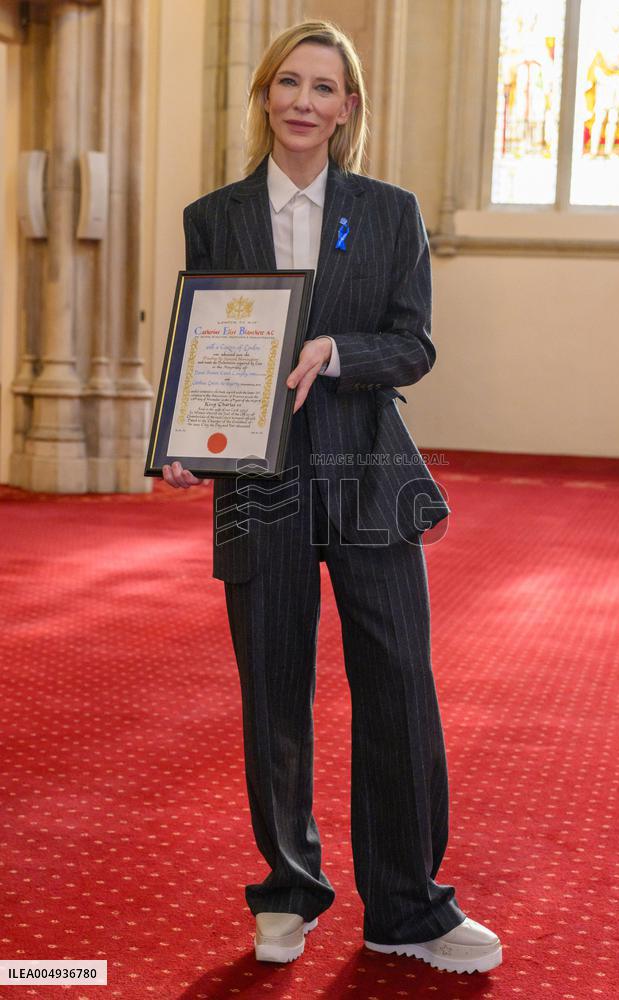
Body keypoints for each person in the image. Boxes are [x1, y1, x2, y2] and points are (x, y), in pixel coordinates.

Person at [163, 19, 502, 975]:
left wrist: (339, 352)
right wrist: (188, 441)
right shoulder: (215, 213)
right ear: (264, 93)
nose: (304, 102)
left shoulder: (389, 212)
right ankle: (288, 890)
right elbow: (207, 342)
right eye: (289, 83)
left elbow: (416, 345)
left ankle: (408, 906)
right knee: (273, 688)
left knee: (397, 680)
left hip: (366, 471)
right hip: (257, 481)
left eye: (325, 88)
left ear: (348, 108)